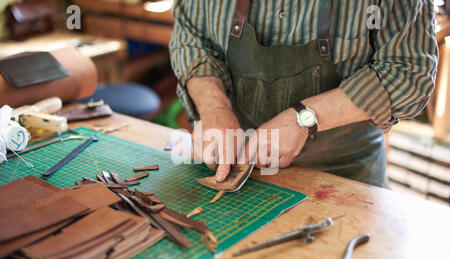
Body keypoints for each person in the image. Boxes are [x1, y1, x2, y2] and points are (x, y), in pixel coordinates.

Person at [169, 0, 438, 188]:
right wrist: (214, 106)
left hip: (344, 175)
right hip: (241, 173)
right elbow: (190, 37)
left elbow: (408, 73)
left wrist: (305, 117)